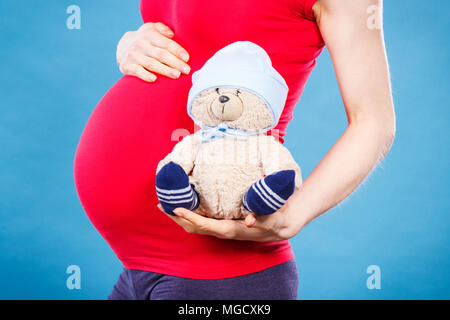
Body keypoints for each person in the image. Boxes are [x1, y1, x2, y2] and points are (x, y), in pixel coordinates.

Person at [74, 0, 395, 300]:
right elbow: (188, 38)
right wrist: (130, 42)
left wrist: (291, 218)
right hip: (136, 267)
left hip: (223, 276)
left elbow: (374, 122)